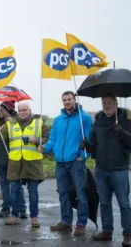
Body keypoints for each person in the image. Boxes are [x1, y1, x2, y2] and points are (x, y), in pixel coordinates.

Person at [40, 91, 93, 236]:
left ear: (74, 100)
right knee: (63, 193)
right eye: (64, 100)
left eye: (69, 99)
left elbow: (90, 140)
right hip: (60, 162)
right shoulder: (58, 120)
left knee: (81, 193)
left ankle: (81, 224)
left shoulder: (85, 118)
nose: (67, 102)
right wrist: (45, 148)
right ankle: (66, 222)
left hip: (76, 161)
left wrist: (84, 155)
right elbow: (53, 140)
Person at [81, 95, 131, 245]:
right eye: (104, 103)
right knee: (104, 202)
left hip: (119, 170)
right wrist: (87, 145)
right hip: (101, 169)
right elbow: (93, 146)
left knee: (124, 204)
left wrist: (121, 131)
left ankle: (128, 233)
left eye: (110, 102)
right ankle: (107, 231)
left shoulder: (126, 121)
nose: (107, 105)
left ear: (116, 103)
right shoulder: (98, 123)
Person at [0, 102, 44, 227]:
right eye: (20, 110)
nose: (22, 112)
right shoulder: (10, 123)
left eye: (25, 110)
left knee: (33, 191)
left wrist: (37, 141)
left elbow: (49, 139)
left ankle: (34, 217)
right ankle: (15, 216)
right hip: (15, 162)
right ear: (17, 111)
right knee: (14, 190)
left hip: (33, 162)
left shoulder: (39, 122)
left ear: (30, 110)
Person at [0, 101, 27, 219]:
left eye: (2, 110)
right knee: (4, 184)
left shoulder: (16, 121)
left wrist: (6, 126)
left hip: (13, 156)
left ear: (8, 110)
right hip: (0, 157)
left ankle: (21, 208)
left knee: (16, 184)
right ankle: (6, 207)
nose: (0, 112)